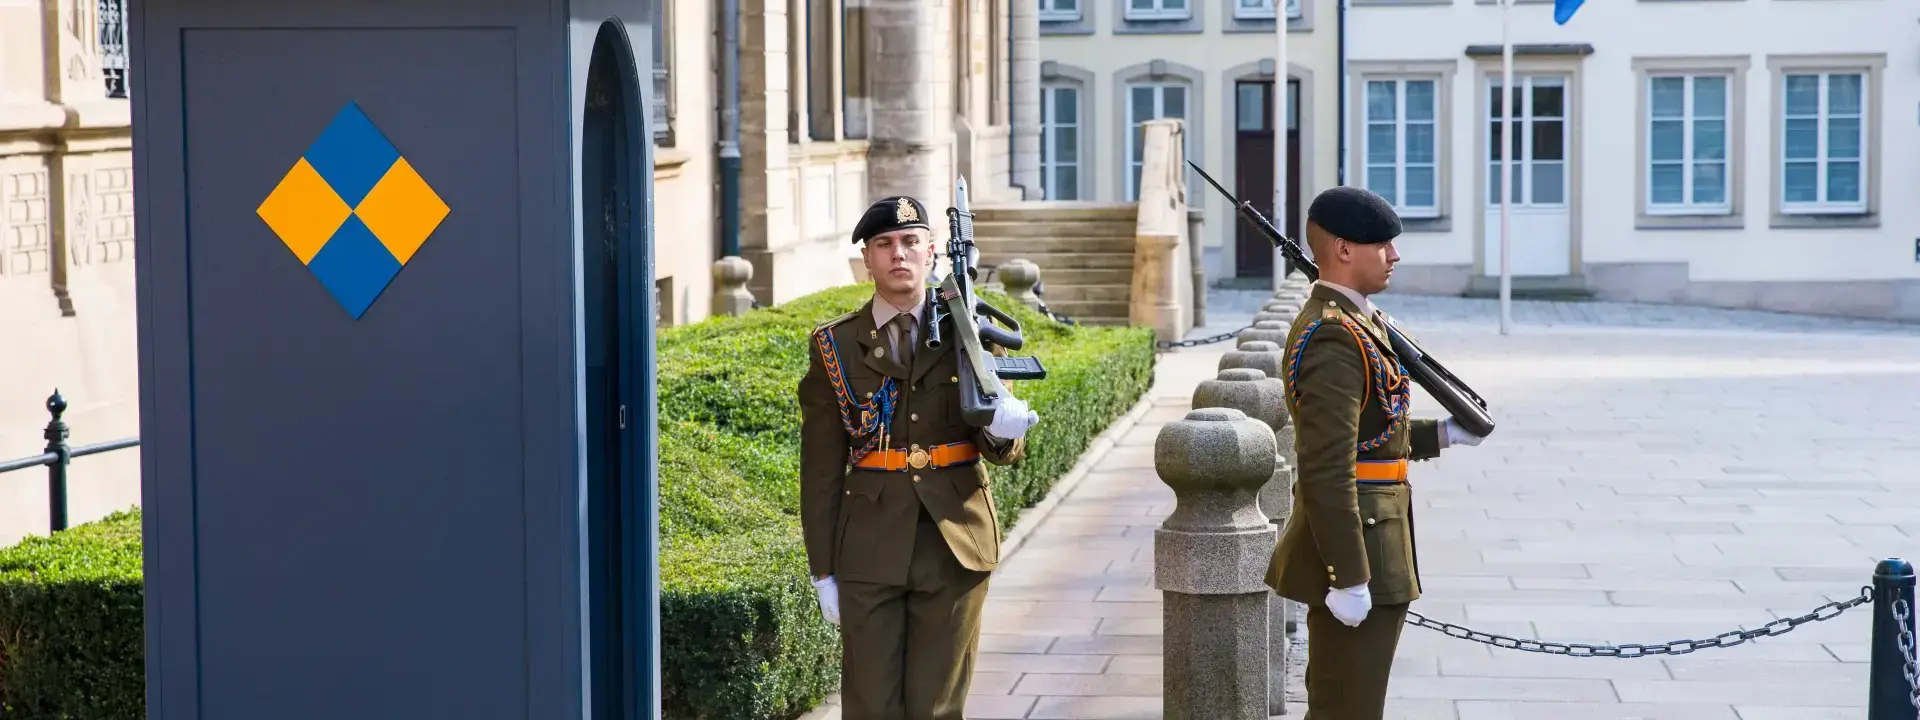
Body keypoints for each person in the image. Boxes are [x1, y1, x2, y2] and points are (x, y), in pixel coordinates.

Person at [796, 195, 1041, 720]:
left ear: (931, 252)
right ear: (867, 259)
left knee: (936, 707)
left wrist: (1004, 429)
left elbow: (1001, 445)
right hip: (867, 546)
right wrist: (823, 572)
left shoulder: (969, 329)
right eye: (884, 244)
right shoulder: (835, 346)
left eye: (910, 242)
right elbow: (819, 471)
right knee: (869, 707)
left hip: (955, 537)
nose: (898, 254)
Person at [1265, 186, 1486, 719]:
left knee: (1350, 701)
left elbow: (1373, 429)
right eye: (1382, 243)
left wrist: (1443, 434)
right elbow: (1326, 468)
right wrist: (1350, 576)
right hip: (1358, 548)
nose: (1394, 254)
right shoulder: (1335, 336)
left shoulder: (1358, 322)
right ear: (1343, 249)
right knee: (1347, 709)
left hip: (1375, 537)